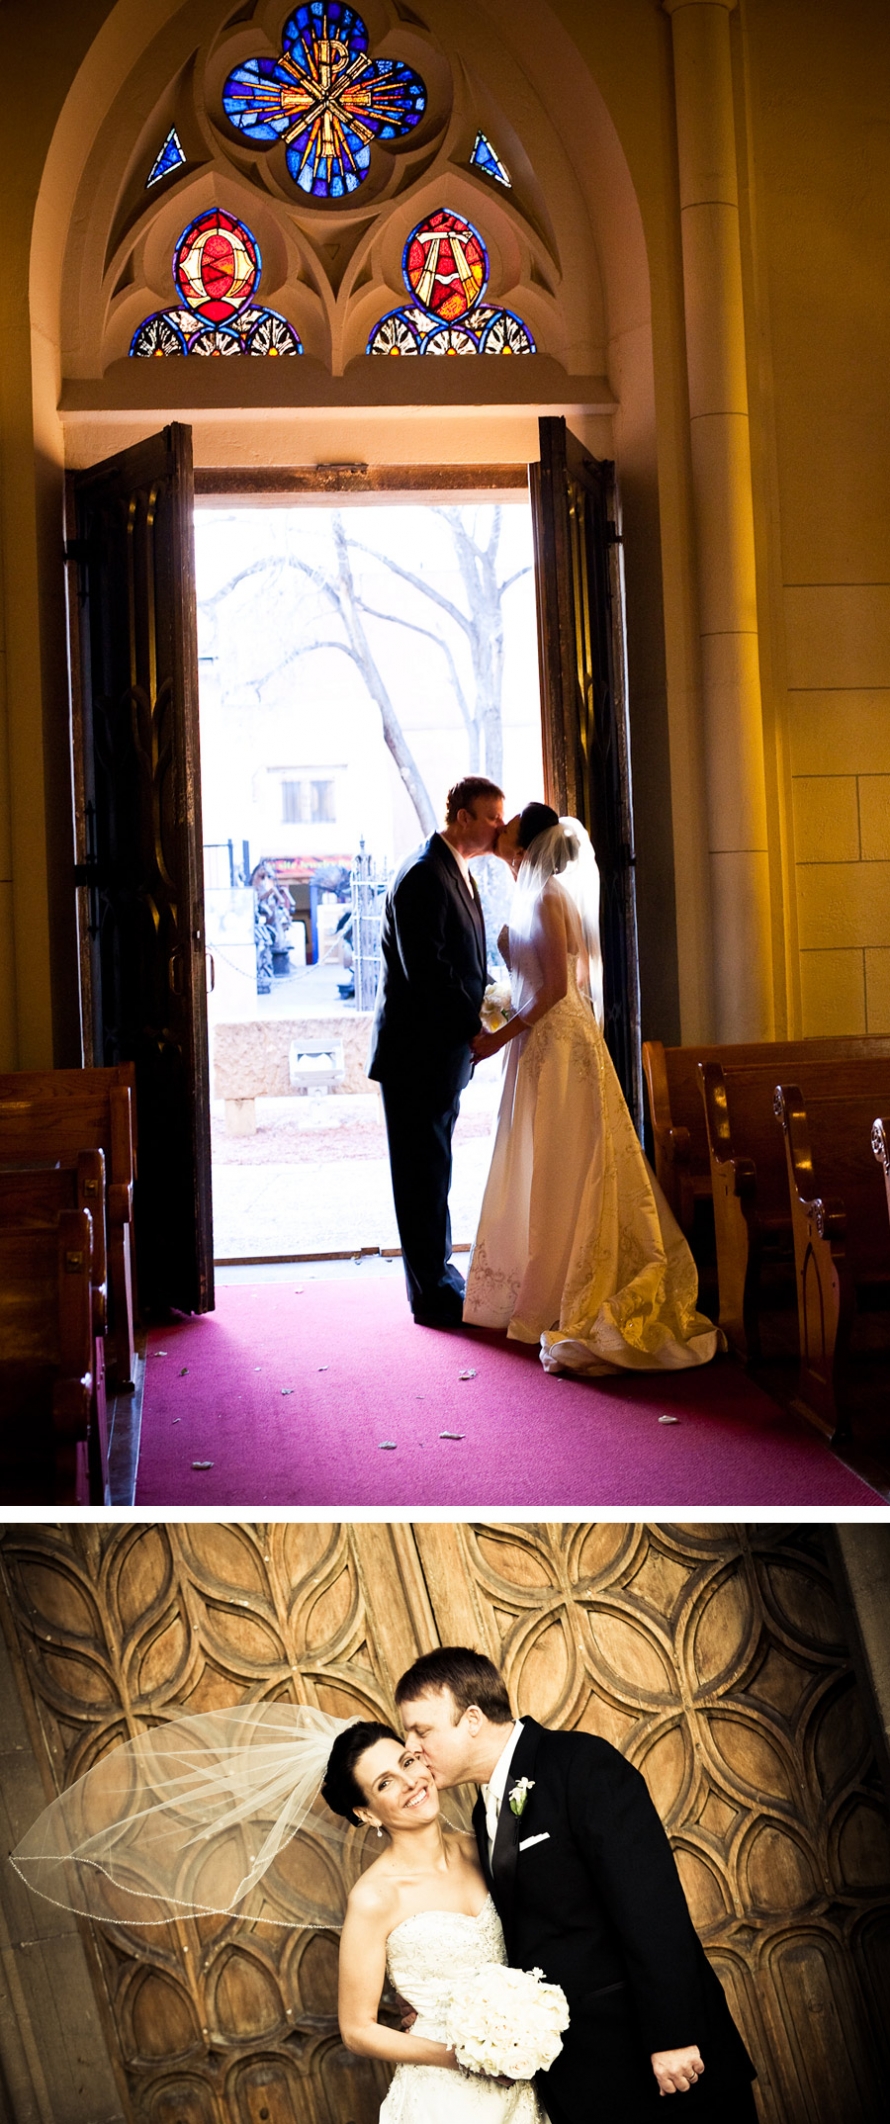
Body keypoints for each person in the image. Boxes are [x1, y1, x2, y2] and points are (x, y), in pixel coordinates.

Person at [395, 1648, 758, 2124]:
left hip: (657, 2058)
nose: (412, 1747)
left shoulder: (580, 1764)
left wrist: (673, 2034)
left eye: (421, 1730)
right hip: (583, 2074)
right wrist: (436, 2004)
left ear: (473, 1719)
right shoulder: (486, 1808)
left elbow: (651, 1905)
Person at [462, 802, 721, 1373]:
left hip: (560, 1047)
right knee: (543, 1161)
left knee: (569, 1161)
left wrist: (501, 1034)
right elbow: (551, 979)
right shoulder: (528, 894)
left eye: (507, 832)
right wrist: (508, 1007)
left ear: (526, 847)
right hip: (540, 1046)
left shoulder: (552, 895)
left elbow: (560, 986)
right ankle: (535, 1279)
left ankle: (568, 1284)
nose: (500, 837)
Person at [323, 1720, 544, 2122]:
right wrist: (462, 2058)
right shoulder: (374, 1898)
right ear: (366, 1813)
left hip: (534, 2073)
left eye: (407, 1762)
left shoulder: (485, 1845)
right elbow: (356, 2030)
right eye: (385, 1784)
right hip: (448, 2097)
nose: (410, 1782)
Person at [368, 775, 505, 1326]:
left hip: (440, 1054)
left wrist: (492, 1000)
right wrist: (476, 1022)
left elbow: (468, 961)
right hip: (416, 1055)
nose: (499, 825)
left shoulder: (459, 872)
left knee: (434, 1170)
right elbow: (427, 971)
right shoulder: (424, 874)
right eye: (491, 816)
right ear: (463, 817)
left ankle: (440, 1276)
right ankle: (430, 1294)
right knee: (420, 1176)